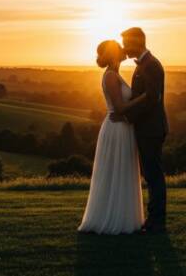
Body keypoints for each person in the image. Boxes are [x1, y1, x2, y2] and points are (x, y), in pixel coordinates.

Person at [78, 40, 147, 234]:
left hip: (123, 127)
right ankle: (111, 218)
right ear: (113, 54)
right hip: (116, 128)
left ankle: (124, 216)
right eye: (120, 48)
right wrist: (146, 97)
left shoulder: (115, 74)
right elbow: (119, 108)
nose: (125, 50)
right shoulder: (110, 76)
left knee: (122, 171)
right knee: (115, 171)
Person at [116, 27, 169, 234]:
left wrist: (127, 115)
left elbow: (151, 98)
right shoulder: (145, 64)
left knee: (153, 175)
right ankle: (153, 220)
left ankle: (157, 222)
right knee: (151, 174)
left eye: (127, 43)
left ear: (138, 41)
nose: (124, 48)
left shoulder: (151, 65)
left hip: (151, 129)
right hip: (148, 128)